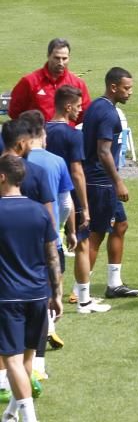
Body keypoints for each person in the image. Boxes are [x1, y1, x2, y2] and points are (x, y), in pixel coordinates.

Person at [0, 155, 62, 422]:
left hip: (7, 297)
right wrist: (57, 294)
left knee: (11, 360)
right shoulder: (40, 211)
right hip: (39, 294)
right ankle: (11, 413)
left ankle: (29, 418)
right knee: (26, 360)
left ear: (2, 177)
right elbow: (52, 256)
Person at [46, 86, 109, 314]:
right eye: (79, 106)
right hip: (67, 198)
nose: (80, 111)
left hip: (43, 198)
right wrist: (85, 206)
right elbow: (77, 172)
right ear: (68, 106)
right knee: (82, 245)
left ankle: (47, 298)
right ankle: (83, 301)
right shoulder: (74, 135)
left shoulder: (41, 130)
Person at [82, 67, 138, 298]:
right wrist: (118, 182)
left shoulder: (96, 106)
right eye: (126, 88)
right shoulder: (108, 113)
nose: (130, 92)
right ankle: (81, 291)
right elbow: (104, 151)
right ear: (113, 87)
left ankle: (114, 284)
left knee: (120, 225)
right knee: (96, 234)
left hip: (97, 179)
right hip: (101, 182)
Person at [21, 110, 74, 362]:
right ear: (42, 133)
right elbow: (64, 203)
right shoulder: (55, 162)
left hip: (13, 236)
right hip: (48, 235)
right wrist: (64, 228)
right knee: (47, 289)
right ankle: (39, 355)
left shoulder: (9, 162)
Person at [8, 38, 91, 125]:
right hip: (37, 136)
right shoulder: (29, 82)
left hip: (66, 137)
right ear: (48, 55)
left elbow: (85, 114)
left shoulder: (78, 84)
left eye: (64, 58)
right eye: (57, 58)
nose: (61, 62)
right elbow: (14, 112)